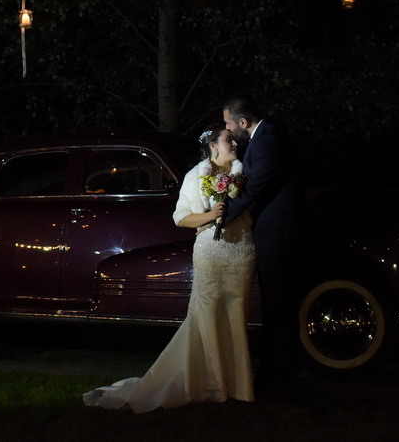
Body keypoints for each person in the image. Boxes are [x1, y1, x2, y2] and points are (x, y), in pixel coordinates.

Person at [82, 124, 256, 412]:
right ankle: (212, 384)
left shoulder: (241, 176)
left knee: (237, 314)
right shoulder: (195, 177)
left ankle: (239, 384)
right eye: (228, 140)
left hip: (241, 252)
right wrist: (210, 215)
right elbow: (181, 218)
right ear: (213, 145)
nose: (234, 144)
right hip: (211, 254)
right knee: (207, 314)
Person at [221, 94, 301, 397]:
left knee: (278, 305)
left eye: (229, 123)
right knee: (274, 304)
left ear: (243, 122)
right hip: (272, 231)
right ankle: (274, 372)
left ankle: (281, 379)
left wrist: (221, 214)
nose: (227, 129)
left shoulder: (266, 141)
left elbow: (253, 187)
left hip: (278, 234)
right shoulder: (265, 138)